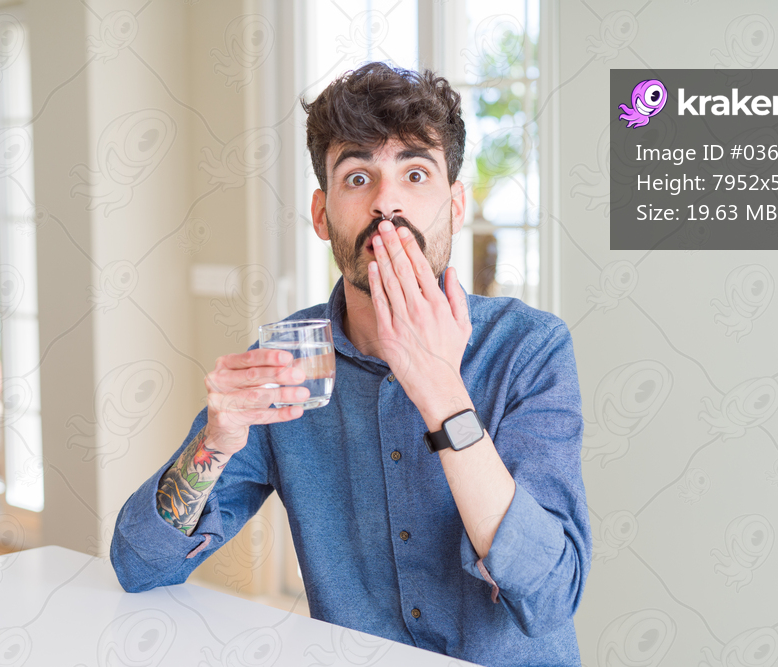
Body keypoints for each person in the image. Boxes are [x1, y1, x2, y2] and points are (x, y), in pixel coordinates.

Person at [110, 62, 592, 666]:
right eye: (358, 177)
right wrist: (215, 441)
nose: (387, 202)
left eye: (415, 174)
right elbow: (137, 564)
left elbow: (549, 595)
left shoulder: (530, 348)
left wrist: (441, 390)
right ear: (321, 214)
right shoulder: (285, 365)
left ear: (455, 205)